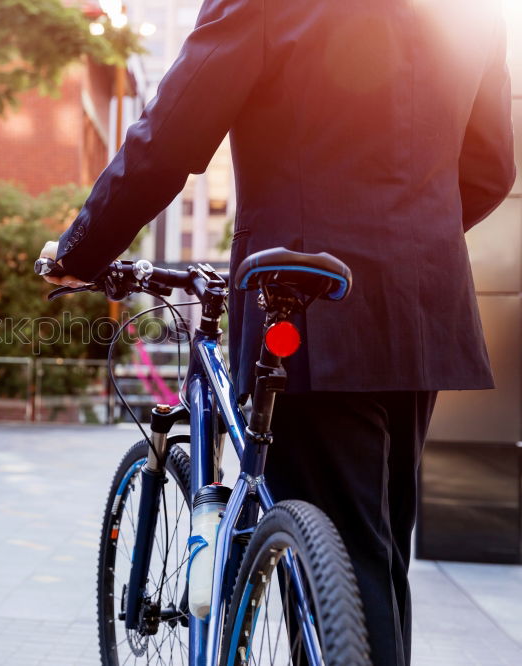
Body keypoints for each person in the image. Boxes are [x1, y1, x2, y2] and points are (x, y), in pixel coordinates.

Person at [39, 1, 515, 664]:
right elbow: (492, 169)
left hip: (304, 300)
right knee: (374, 551)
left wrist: (81, 250)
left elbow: (170, 136)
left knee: (339, 560)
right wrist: (404, 242)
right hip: (421, 305)